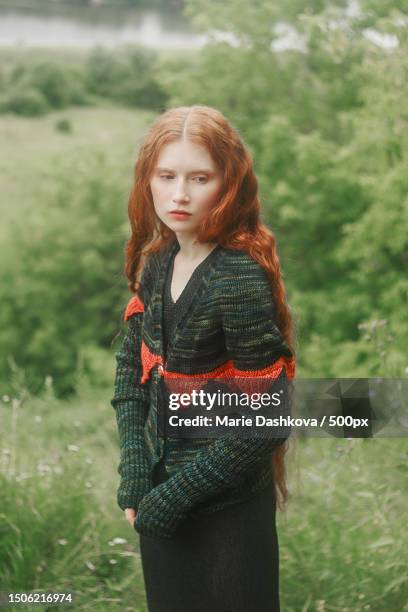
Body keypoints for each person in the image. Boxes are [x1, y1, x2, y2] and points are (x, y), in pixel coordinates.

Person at [111, 105, 297, 612]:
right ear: (147, 180)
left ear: (228, 184)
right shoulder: (157, 262)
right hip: (160, 501)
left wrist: (178, 495)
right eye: (166, 176)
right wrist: (135, 467)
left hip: (226, 511)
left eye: (200, 177)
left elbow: (269, 414)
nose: (180, 194)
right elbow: (133, 374)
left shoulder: (235, 277)